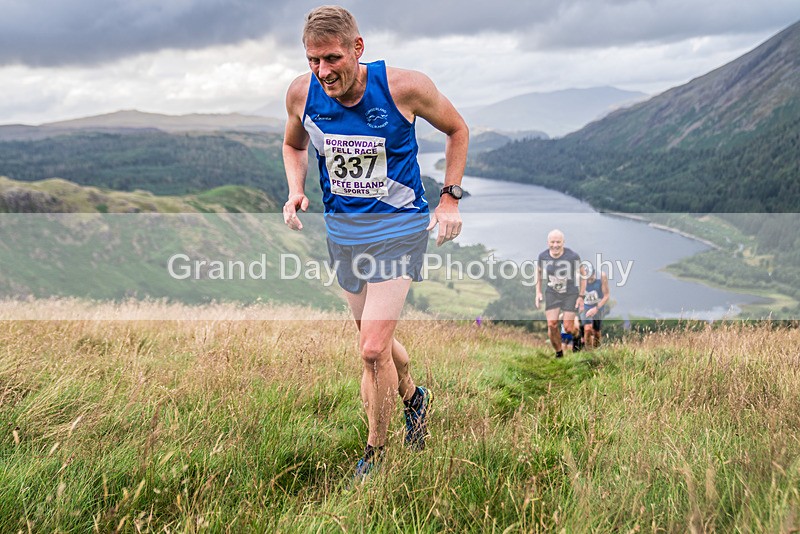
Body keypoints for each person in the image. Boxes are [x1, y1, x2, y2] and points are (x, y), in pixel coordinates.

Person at [282, 6, 469, 480]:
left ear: (357, 48)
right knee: (374, 342)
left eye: (332, 58)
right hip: (344, 235)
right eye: (313, 60)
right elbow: (294, 145)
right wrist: (296, 189)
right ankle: (414, 398)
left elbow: (457, 129)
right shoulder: (302, 94)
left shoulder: (404, 87)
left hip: (398, 231)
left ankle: (376, 454)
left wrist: (449, 199)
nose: (323, 71)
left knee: (370, 350)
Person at [535, 229, 586, 358]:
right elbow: (538, 273)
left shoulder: (572, 256)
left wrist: (581, 296)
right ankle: (559, 353)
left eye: (558, 242)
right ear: (548, 242)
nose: (555, 245)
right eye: (552, 242)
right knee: (552, 324)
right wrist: (538, 292)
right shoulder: (543, 256)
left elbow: (583, 275)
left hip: (570, 293)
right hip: (552, 292)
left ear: (563, 242)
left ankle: (577, 336)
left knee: (568, 328)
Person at [580, 263, 610, 349]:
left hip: (598, 306)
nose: (589, 280)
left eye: (591, 276)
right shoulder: (580, 280)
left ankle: (597, 350)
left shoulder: (601, 278)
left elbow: (606, 296)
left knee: (596, 332)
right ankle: (588, 351)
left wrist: (596, 308)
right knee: (587, 328)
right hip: (585, 306)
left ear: (594, 273)